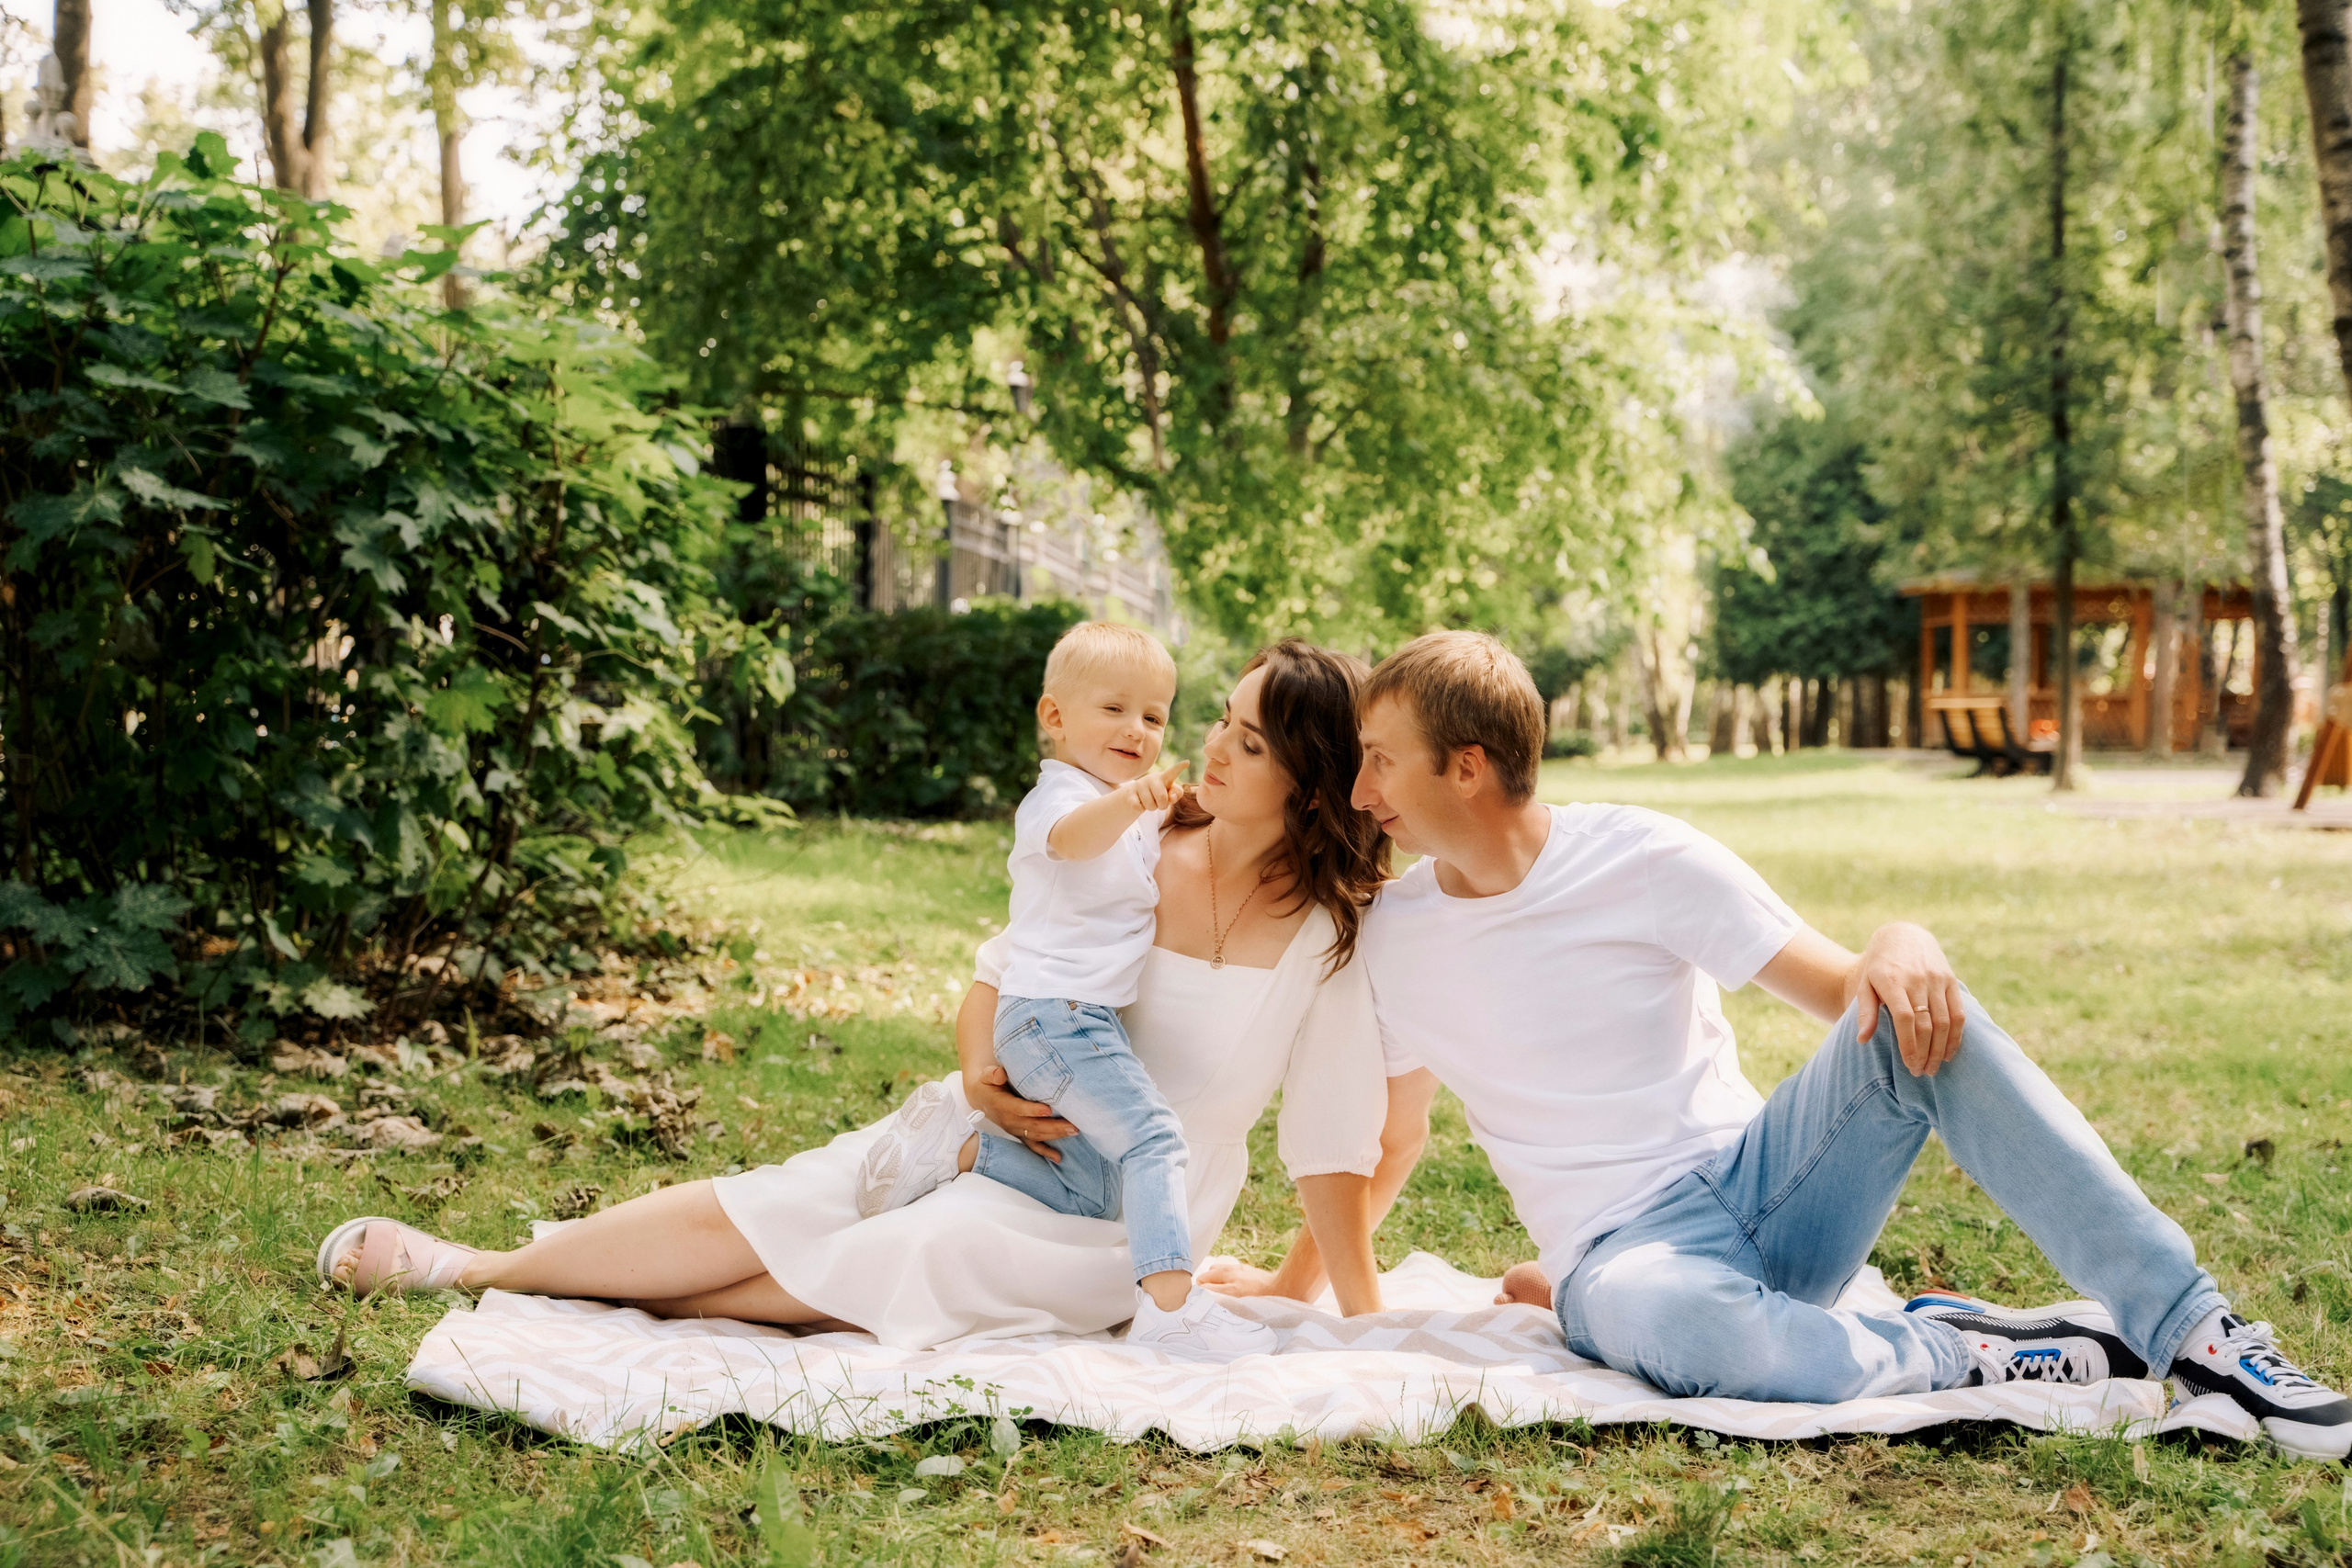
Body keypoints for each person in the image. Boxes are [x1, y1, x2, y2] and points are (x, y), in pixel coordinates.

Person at [1224, 629, 2352, 1461]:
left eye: (1381, 759)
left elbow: (1847, 994)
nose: (1362, 790)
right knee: (1649, 1315)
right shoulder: (1401, 941)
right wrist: (1304, 1292)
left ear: (1464, 766)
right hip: (1626, 1257)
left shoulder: (1646, 858)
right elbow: (1388, 1133)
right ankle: (1972, 1354)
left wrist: (1905, 940)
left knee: (1928, 1023)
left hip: (1765, 1185)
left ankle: (2197, 1332)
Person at [314, 640, 1394, 1353]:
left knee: (919, 1249)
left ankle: (590, 1309)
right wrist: (979, 1079)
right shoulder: (1134, 835)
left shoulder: (1329, 932)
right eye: (1219, 718)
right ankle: (477, 1267)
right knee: (800, 1192)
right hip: (1004, 1116)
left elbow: (1343, 1140)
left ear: (1308, 779)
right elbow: (1001, 966)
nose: (1206, 747)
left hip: (1113, 1214)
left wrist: (1318, 1301)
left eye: (1247, 744)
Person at [848, 620, 1267, 1354]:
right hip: (1054, 1016)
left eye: (1154, 716)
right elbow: (1074, 839)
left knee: (1093, 1188)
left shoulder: (1124, 805)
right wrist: (1136, 802)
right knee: (1156, 1139)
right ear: (1054, 717)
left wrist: (1162, 806)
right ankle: (1171, 1312)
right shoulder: (1059, 795)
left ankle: (958, 1149)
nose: (1137, 730)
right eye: (1114, 709)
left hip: (1077, 1020)